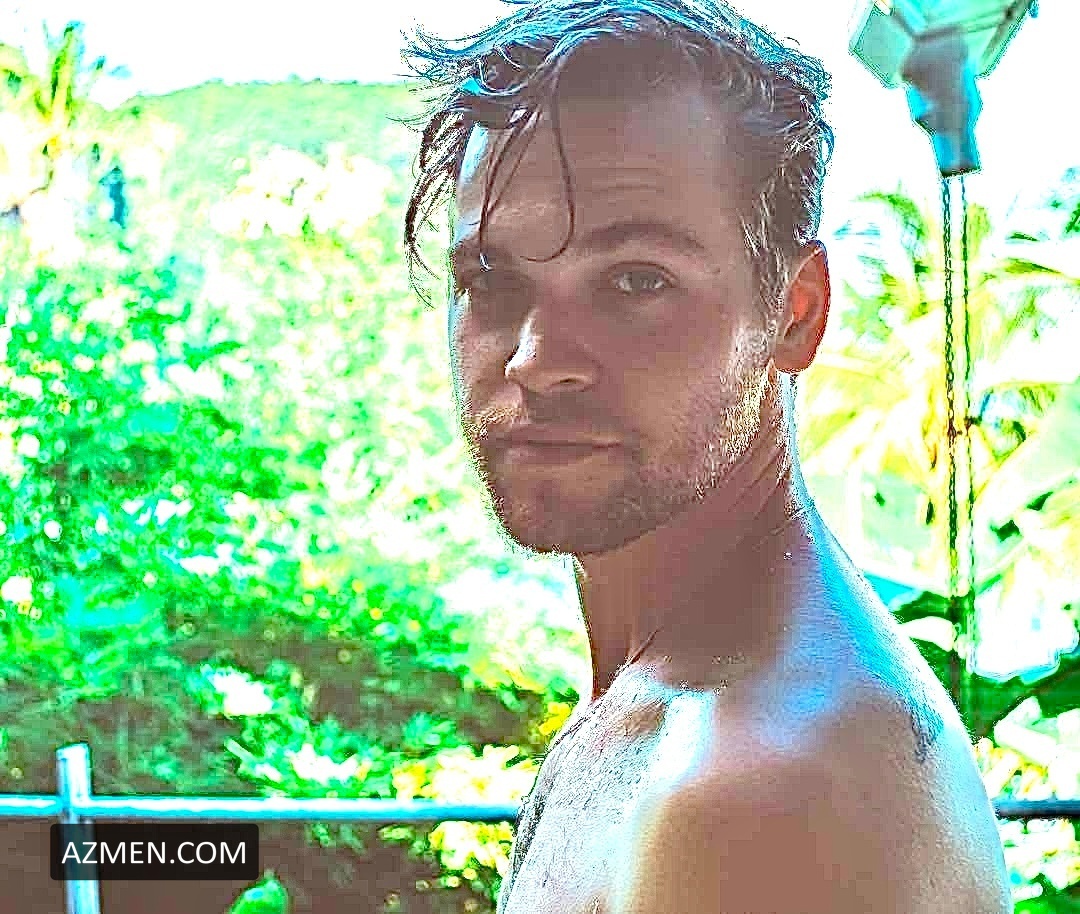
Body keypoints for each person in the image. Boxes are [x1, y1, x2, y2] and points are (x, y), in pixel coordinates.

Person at [403, 2, 1012, 911]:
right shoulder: (683, 695)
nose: (535, 358)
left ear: (795, 314)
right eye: (491, 280)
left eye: (634, 280)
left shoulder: (756, 791)